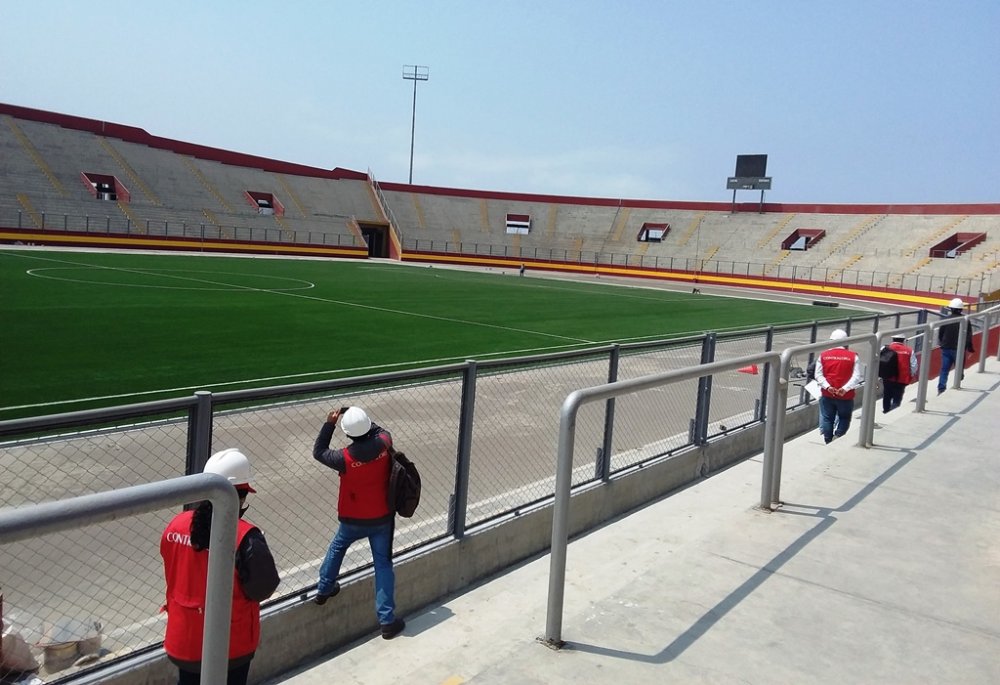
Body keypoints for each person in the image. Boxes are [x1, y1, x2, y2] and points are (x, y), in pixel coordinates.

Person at [160, 449, 280, 685]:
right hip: (230, 645)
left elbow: (170, 563)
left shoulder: (177, 524)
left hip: (183, 638)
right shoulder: (245, 536)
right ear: (240, 496)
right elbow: (263, 588)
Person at [312, 406, 406, 640]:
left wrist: (329, 424)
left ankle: (324, 589)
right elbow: (382, 430)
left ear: (347, 433)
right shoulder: (384, 442)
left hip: (352, 518)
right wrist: (359, 416)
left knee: (337, 547)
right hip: (381, 517)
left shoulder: (342, 458)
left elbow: (318, 451)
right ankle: (386, 621)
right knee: (383, 564)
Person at [814, 329, 863, 444]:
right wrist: (845, 389)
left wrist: (828, 387)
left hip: (827, 394)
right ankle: (838, 435)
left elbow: (818, 375)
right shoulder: (853, 356)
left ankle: (828, 440)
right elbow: (857, 377)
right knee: (844, 418)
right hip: (845, 396)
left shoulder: (823, 355)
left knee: (827, 418)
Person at [937, 297, 975, 395]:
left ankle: (941, 388)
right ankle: (958, 382)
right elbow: (969, 335)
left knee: (944, 369)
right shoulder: (965, 320)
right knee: (959, 367)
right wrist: (970, 348)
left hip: (946, 347)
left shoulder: (946, 319)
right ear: (961, 309)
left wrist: (941, 343)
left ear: (951, 308)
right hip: (959, 348)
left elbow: (941, 333)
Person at [881, 334, 918, 413]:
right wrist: (911, 375)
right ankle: (894, 409)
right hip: (902, 378)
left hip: (888, 377)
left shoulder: (885, 348)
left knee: (887, 395)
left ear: (893, 339)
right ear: (903, 340)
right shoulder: (909, 350)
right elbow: (914, 365)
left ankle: (886, 411)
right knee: (898, 396)